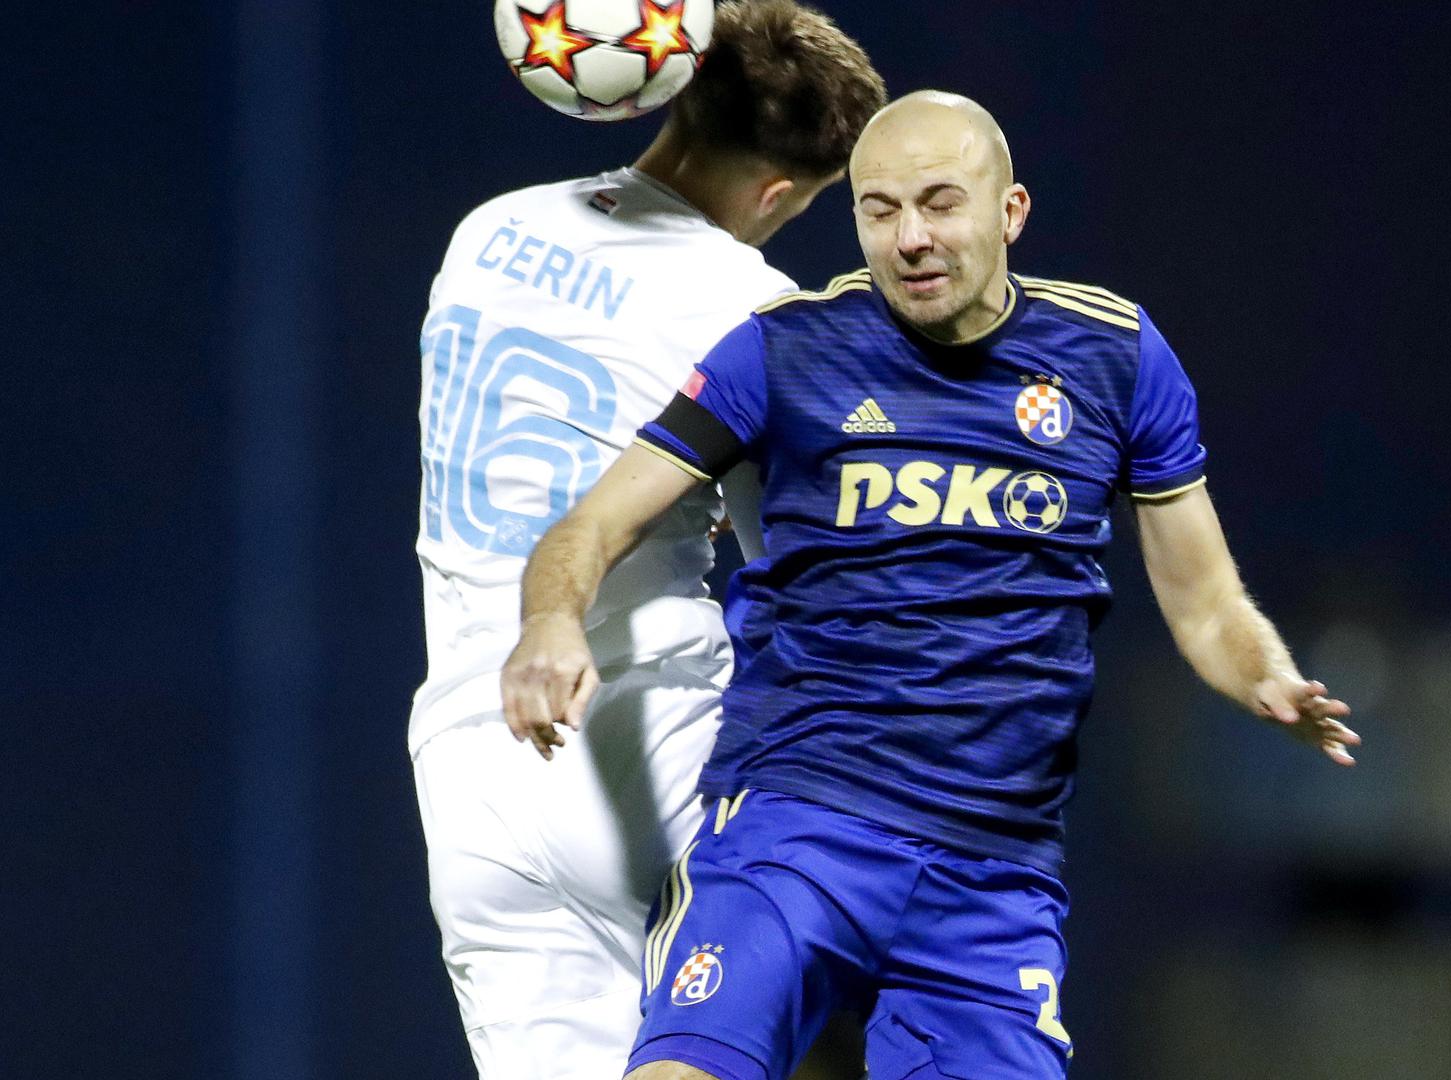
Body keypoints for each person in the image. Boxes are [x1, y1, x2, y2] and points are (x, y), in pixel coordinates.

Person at [501, 91, 1361, 1080]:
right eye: (879, 210)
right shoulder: (782, 349)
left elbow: (1206, 602)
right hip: (799, 825)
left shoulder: (1115, 356)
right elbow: (592, 524)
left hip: (992, 874)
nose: (909, 237)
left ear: (1010, 211)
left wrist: (1264, 674)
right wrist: (549, 622)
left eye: (940, 203)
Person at [409, 5, 885, 1078]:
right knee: (869, 1012)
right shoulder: (748, 303)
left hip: (473, 771)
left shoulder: (487, 230)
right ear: (778, 193)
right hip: (654, 746)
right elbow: (804, 575)